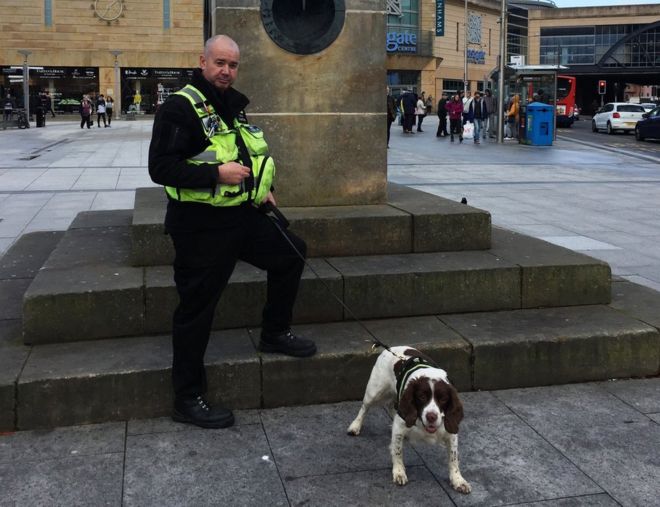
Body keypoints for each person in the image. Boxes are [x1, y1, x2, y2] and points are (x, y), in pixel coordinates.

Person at [148, 34, 317, 430]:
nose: (226, 71)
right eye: (220, 63)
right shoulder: (179, 108)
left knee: (292, 253)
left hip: (242, 216)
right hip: (199, 227)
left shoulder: (231, 107)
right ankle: (187, 397)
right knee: (196, 310)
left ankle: (275, 332)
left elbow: (245, 157)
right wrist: (215, 175)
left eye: (233, 65)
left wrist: (264, 191)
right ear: (202, 62)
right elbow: (161, 168)